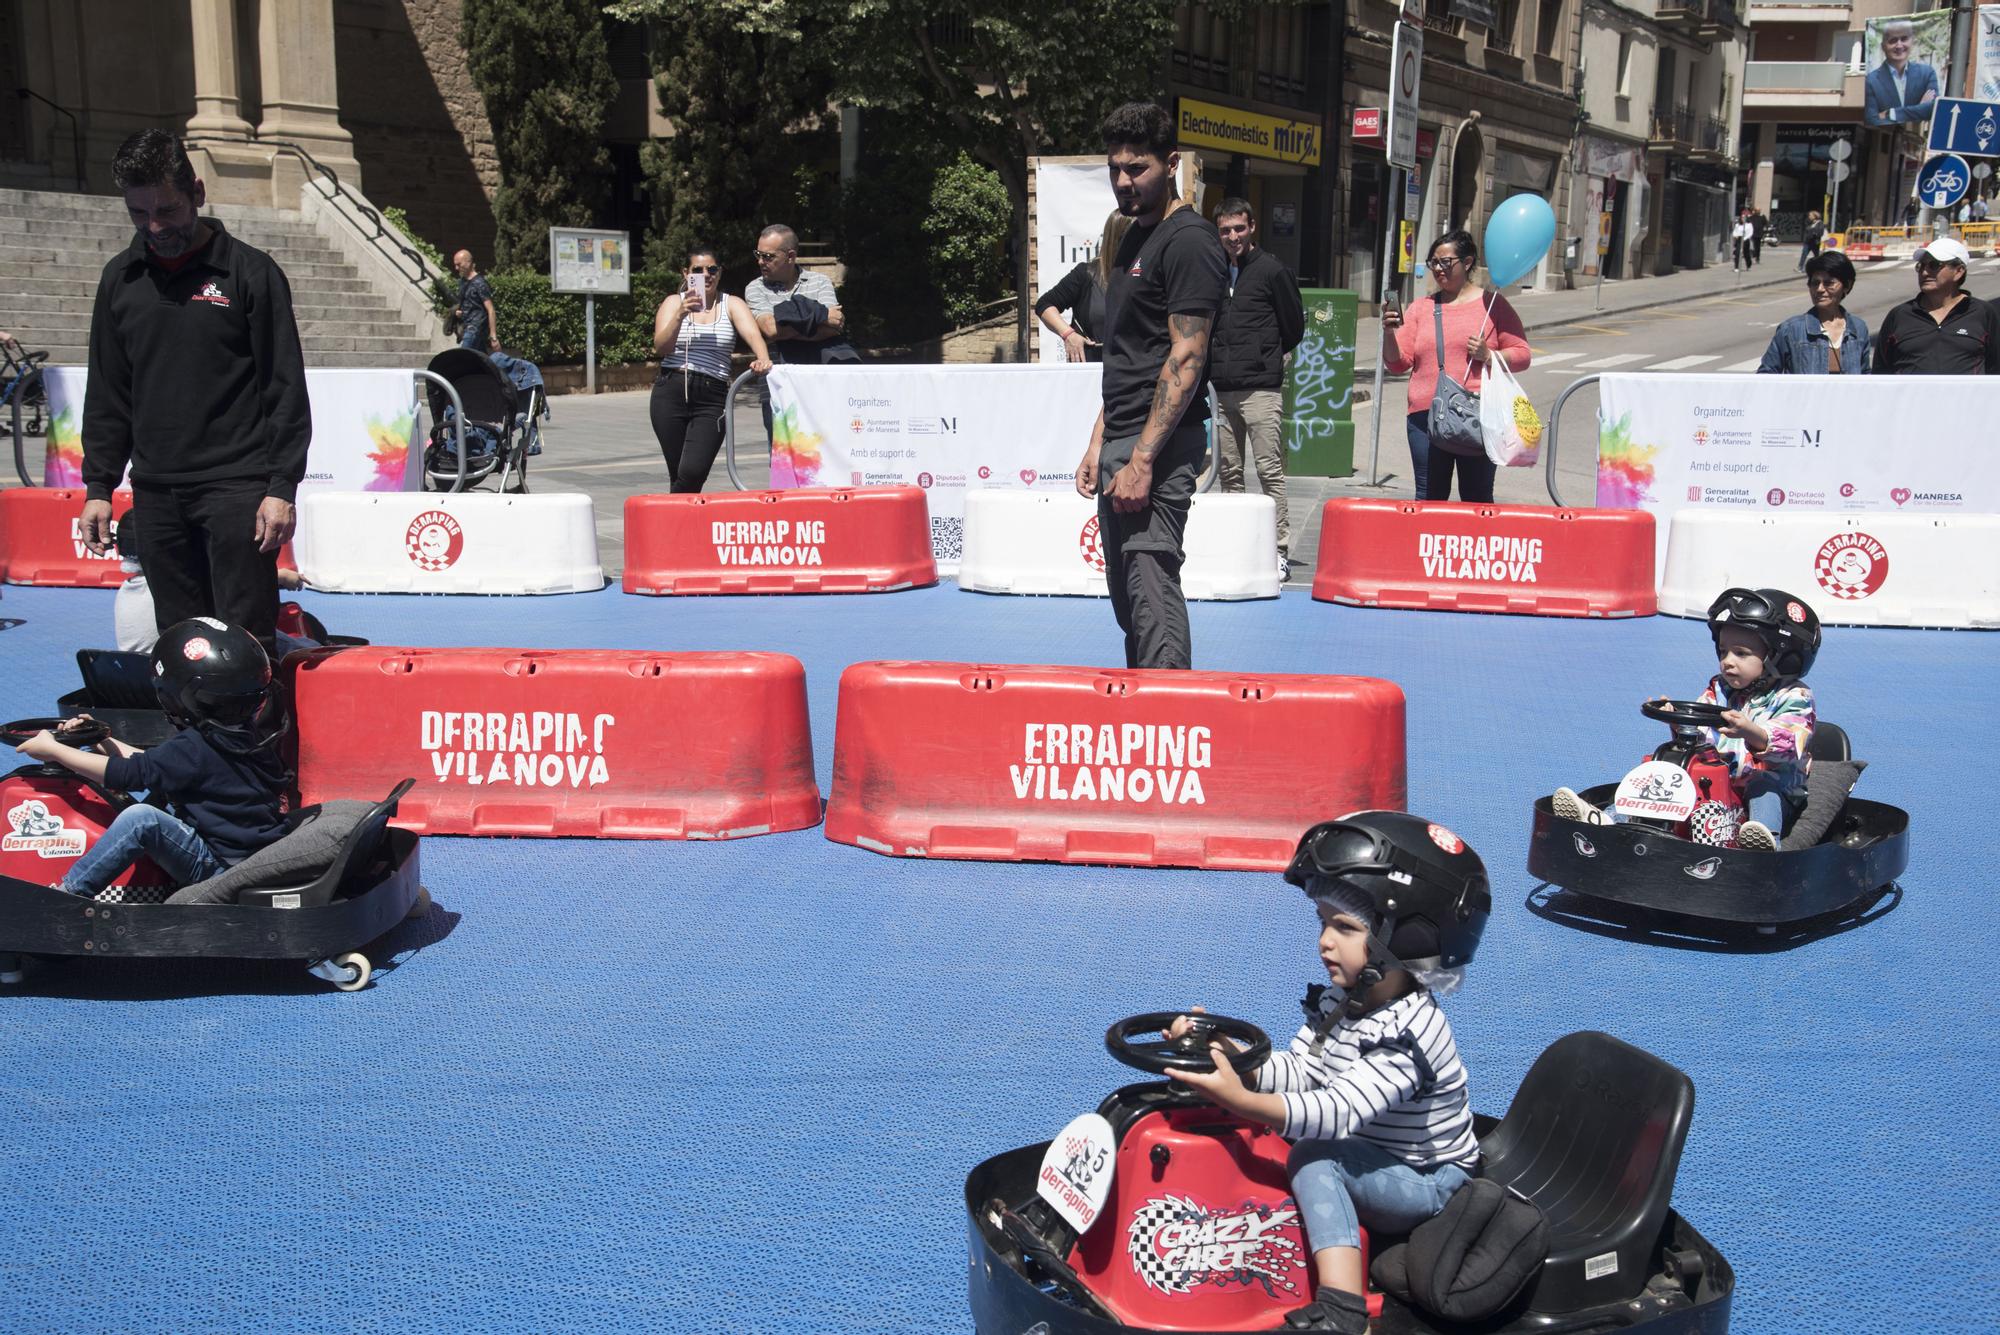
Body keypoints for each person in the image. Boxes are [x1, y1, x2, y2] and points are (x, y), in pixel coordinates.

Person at [1161, 811, 1489, 1334]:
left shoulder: (1408, 1033)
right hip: (1374, 1152)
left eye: (1345, 927)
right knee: (1266, 1136)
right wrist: (1231, 1058)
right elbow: (1302, 1072)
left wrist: (1242, 1100)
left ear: (1405, 939)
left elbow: (1337, 1112)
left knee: (1315, 1155)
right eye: (1322, 922)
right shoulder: (1346, 1001)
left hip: (1428, 1183)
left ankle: (1342, 1311)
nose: (1325, 942)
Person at [81, 130, 307, 658]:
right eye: (139, 214)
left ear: (198, 193)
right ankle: (189, 740)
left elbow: (284, 385)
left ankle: (255, 740)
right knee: (182, 647)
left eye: (167, 209)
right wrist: (98, 485)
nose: (155, 227)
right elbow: (109, 393)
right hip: (158, 494)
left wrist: (282, 486)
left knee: (246, 643)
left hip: (237, 491)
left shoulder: (251, 273)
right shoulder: (120, 280)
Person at [1072, 102, 1227, 671]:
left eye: (1136, 168)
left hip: (1158, 450)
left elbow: (1186, 357)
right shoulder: (1136, 238)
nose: (1122, 181)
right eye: (1114, 168)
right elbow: (1130, 357)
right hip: (1123, 440)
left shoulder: (1188, 241)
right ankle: (1145, 702)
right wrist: (1098, 443)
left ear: (1172, 163)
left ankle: (1169, 713)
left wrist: (1140, 459)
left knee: (1150, 585)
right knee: (1129, 597)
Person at [13, 619, 291, 896]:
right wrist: (100, 737)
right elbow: (154, 765)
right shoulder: (242, 734)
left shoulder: (195, 747)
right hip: (247, 857)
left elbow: (130, 774)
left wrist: (55, 751)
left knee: (142, 819)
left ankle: (65, 896)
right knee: (157, 800)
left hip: (218, 866)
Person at [1555, 587, 1819, 851]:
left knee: (1763, 785)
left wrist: (1751, 732)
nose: (1727, 662)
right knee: (1667, 768)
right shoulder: (1720, 688)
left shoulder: (1795, 696)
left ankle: (1763, 842)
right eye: (1724, 651)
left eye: (1740, 653)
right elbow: (1701, 730)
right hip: (1720, 780)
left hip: (1774, 785)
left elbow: (1791, 745)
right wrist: (1677, 720)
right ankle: (1610, 820)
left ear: (1779, 656)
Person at [1381, 229, 1530, 503]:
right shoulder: (1420, 308)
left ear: (1468, 262)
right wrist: (1389, 333)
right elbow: (1397, 364)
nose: (1438, 269)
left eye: (1446, 262)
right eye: (1434, 263)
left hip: (1477, 417)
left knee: (1477, 499)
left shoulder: (1492, 305)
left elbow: (1523, 355)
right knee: (1428, 498)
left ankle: (1473, 546)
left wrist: (1490, 355)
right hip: (1425, 419)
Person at [1207, 198, 1305, 577]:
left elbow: (1293, 326)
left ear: (1252, 228)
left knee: (1269, 470)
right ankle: (1236, 546)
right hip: (1222, 389)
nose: (1232, 237)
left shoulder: (1271, 270)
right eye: (1225, 230)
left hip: (1261, 389)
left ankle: (1276, 549)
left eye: (1239, 228)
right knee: (1229, 471)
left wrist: (1268, 355)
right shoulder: (1214, 270)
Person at [648, 245, 773, 492]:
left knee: (693, 471)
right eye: (698, 269)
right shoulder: (674, 302)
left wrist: (763, 358)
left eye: (712, 269)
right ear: (686, 273)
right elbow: (661, 347)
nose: (706, 274)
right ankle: (682, 526)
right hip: (671, 390)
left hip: (712, 395)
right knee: (679, 472)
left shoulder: (731, 303)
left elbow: (753, 335)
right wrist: (680, 315)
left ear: (720, 272)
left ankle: (672, 521)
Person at [744, 223, 854, 437]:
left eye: (768, 256)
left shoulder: (820, 282)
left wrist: (788, 319)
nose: (760, 262)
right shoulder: (755, 287)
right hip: (778, 385)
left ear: (791, 256)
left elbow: (835, 326)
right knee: (783, 460)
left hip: (820, 382)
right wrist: (818, 317)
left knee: (827, 451)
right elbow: (771, 329)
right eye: (758, 254)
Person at [1872, 237, 2000, 373]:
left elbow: (1996, 369)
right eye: (1920, 266)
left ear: (1958, 271)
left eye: (1934, 265)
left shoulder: (1983, 313)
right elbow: (1880, 372)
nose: (1925, 272)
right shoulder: (1899, 315)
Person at [1034, 210, 1131, 364]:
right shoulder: (1086, 273)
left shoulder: (1150, 272)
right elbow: (1045, 305)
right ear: (1118, 238)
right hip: (1092, 370)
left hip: (1138, 371)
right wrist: (1068, 334)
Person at [1758, 250, 1871, 374]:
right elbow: (1766, 375)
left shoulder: (1858, 329)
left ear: (1847, 286)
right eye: (1815, 283)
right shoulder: (1791, 329)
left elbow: (1865, 377)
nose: (1820, 289)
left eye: (1829, 283)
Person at [1864, 20, 1939, 128]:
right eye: (1893, 40)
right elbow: (1872, 120)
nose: (1899, 45)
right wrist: (1919, 108)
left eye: (1904, 39)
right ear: (1883, 46)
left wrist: (1891, 113)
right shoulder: (1871, 81)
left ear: (1912, 42)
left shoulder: (1927, 74)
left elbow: (1933, 108)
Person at [452, 249, 500, 353]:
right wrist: (460, 313)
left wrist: (493, 336)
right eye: (455, 265)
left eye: (459, 264)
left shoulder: (480, 283)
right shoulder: (463, 282)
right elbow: (468, 303)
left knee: (463, 356)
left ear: (468, 262)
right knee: (481, 360)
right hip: (467, 326)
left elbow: (490, 309)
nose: (456, 268)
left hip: (475, 328)